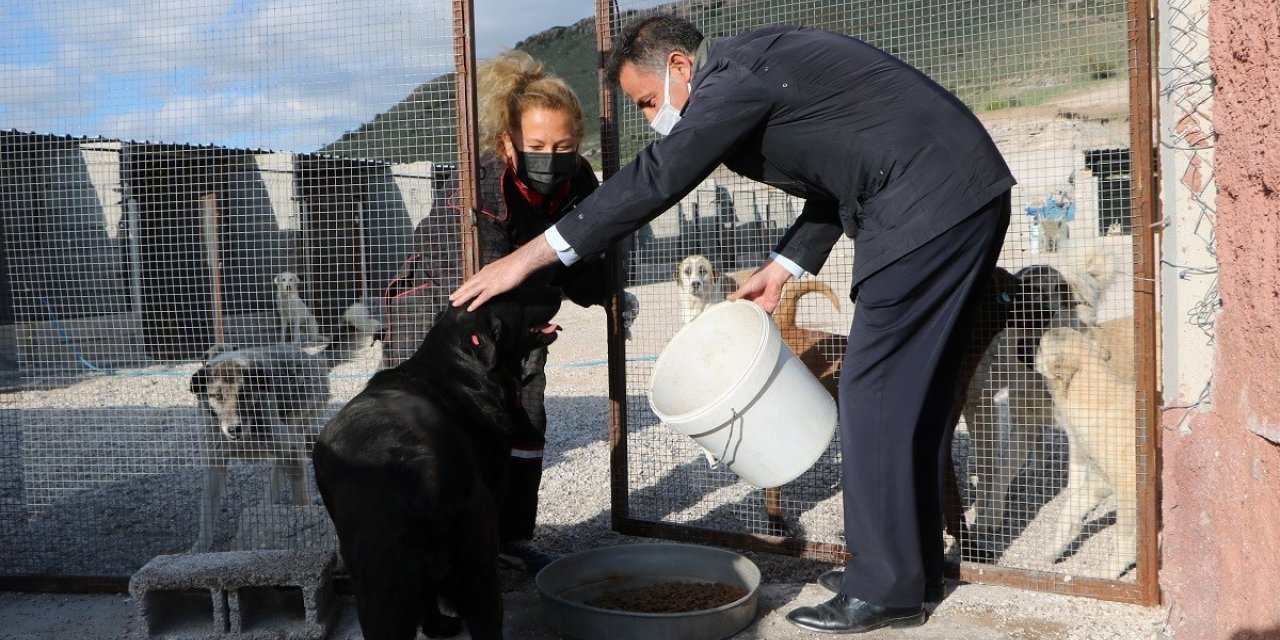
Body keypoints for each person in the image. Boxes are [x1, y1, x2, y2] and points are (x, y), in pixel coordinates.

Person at [451, 16, 1014, 633]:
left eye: (645, 101)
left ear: (679, 67)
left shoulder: (731, 76)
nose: (650, 119)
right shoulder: (761, 65)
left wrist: (528, 258)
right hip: (956, 192)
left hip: (923, 206)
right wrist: (783, 265)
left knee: (871, 390)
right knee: (915, 394)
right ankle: (911, 570)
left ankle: (882, 587)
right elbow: (840, 177)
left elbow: (659, 176)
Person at [468, 50, 631, 575]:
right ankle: (455, 548)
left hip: (527, 319)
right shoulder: (480, 185)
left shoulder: (579, 178)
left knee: (526, 422)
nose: (551, 156)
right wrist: (518, 325)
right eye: (535, 146)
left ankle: (512, 538)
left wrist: (607, 294)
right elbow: (476, 277)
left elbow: (582, 252)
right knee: (462, 430)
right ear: (507, 142)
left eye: (562, 146)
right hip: (447, 313)